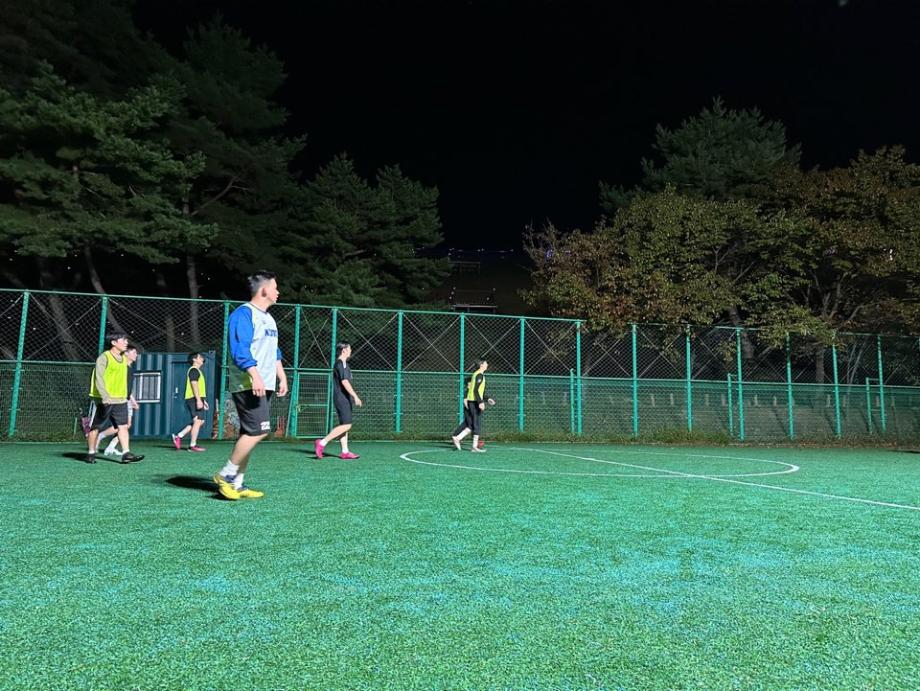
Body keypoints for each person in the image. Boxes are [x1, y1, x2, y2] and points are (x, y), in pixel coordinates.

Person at [212, 271, 288, 500]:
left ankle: (237, 484)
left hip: (264, 383)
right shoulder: (243, 314)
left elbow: (274, 352)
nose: (278, 292)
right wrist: (255, 376)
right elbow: (240, 350)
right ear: (264, 290)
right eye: (275, 287)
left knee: (249, 433)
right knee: (259, 431)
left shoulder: (269, 318)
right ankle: (225, 475)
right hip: (248, 384)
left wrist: (282, 376)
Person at [85, 333, 144, 464]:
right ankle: (91, 453)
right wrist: (104, 396)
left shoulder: (123, 359)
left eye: (126, 340)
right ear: (113, 343)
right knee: (95, 428)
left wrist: (127, 398)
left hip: (120, 399)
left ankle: (126, 453)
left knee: (123, 426)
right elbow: (99, 378)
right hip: (105, 399)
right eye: (123, 340)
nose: (126, 342)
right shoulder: (104, 357)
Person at [314, 342, 363, 459]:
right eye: (349, 349)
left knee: (344, 425)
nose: (351, 351)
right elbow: (344, 381)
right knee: (347, 425)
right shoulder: (341, 363)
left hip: (342, 397)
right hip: (342, 398)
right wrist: (355, 396)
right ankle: (322, 443)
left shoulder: (342, 363)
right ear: (344, 350)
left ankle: (345, 452)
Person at [99, 344, 140, 457]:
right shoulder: (122, 368)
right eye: (134, 352)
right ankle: (100, 436)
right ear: (126, 353)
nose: (136, 355)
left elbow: (127, 388)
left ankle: (110, 447)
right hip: (119, 399)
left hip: (126, 399)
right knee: (122, 425)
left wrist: (132, 400)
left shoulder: (130, 369)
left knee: (126, 425)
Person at [451, 358, 495, 452]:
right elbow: (475, 390)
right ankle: (473, 446)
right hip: (474, 402)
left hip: (473, 401)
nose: (487, 364)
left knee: (473, 424)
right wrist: (480, 402)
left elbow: (479, 391)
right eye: (486, 363)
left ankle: (459, 438)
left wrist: (487, 399)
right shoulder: (479, 375)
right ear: (481, 365)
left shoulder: (477, 374)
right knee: (476, 424)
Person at [172, 352, 208, 452]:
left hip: (196, 398)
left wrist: (203, 400)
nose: (202, 358)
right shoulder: (193, 370)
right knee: (198, 421)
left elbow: (199, 387)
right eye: (200, 357)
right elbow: (194, 384)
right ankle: (192, 446)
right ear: (194, 359)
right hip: (193, 398)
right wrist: (198, 400)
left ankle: (179, 436)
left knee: (200, 421)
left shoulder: (197, 371)